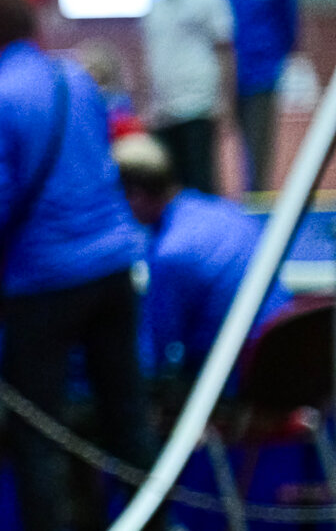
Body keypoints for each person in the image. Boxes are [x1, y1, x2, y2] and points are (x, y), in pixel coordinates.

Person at [0, 0, 183, 531]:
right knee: (128, 421)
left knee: (36, 430)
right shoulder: (77, 81)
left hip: (44, 282)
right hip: (113, 271)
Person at [113, 134, 286, 397]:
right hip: (286, 354)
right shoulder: (227, 212)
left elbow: (156, 352)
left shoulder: (171, 253)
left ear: (135, 195)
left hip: (236, 376)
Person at [210, 0, 297, 192]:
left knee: (259, 146)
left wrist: (277, 61)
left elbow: (289, 23)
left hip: (262, 75)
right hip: (225, 79)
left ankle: (258, 198)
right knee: (222, 144)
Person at [143, 0, 235, 194]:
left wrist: (226, 99)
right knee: (170, 184)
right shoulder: (158, 7)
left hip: (198, 103)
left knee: (200, 179)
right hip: (164, 108)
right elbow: (152, 57)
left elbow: (224, 49)